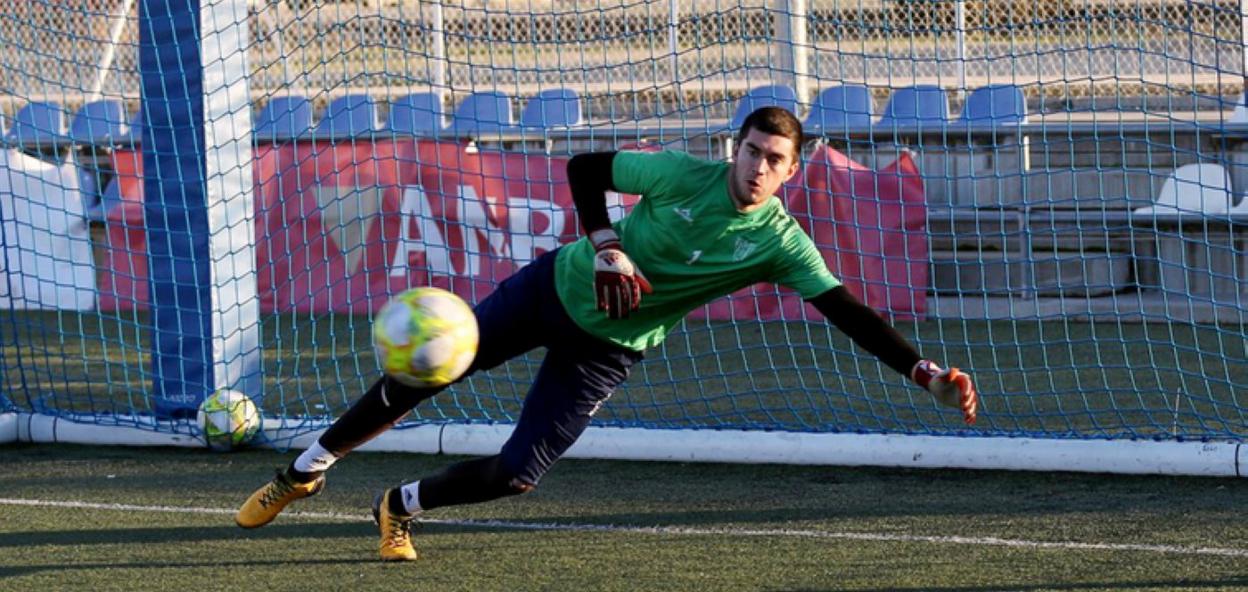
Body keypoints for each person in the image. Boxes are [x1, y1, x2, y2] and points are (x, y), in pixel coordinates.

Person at [234, 106, 979, 561]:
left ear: (791, 171)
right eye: (751, 151)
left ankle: (398, 506)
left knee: (518, 474)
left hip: (610, 349)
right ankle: (302, 470)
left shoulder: (781, 244)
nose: (758, 167)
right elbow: (585, 166)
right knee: (426, 370)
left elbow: (847, 309)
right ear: (736, 148)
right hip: (551, 290)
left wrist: (924, 374)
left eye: (775, 160)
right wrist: (607, 244)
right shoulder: (682, 174)